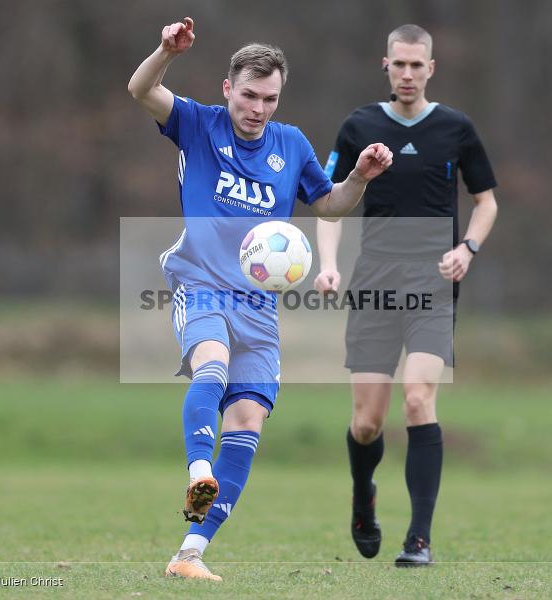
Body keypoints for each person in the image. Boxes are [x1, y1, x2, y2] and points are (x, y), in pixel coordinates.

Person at [127, 17, 393, 581]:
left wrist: (362, 177)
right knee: (213, 366)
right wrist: (166, 52)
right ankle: (200, 467)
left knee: (248, 419)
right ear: (229, 89)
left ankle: (190, 554)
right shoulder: (198, 124)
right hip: (200, 283)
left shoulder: (291, 143)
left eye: (270, 98)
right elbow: (141, 90)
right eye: (249, 95)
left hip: (257, 306)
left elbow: (328, 206)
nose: (258, 108)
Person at [314, 24, 498, 567]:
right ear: (386, 65)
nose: (409, 74)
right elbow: (329, 202)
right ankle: (362, 493)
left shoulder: (456, 129)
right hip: (373, 284)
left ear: (431, 68)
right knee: (368, 422)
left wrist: (467, 248)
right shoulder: (359, 125)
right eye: (400, 64)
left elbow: (487, 202)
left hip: (432, 284)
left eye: (418, 65)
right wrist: (328, 266)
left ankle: (419, 539)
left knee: (418, 399)